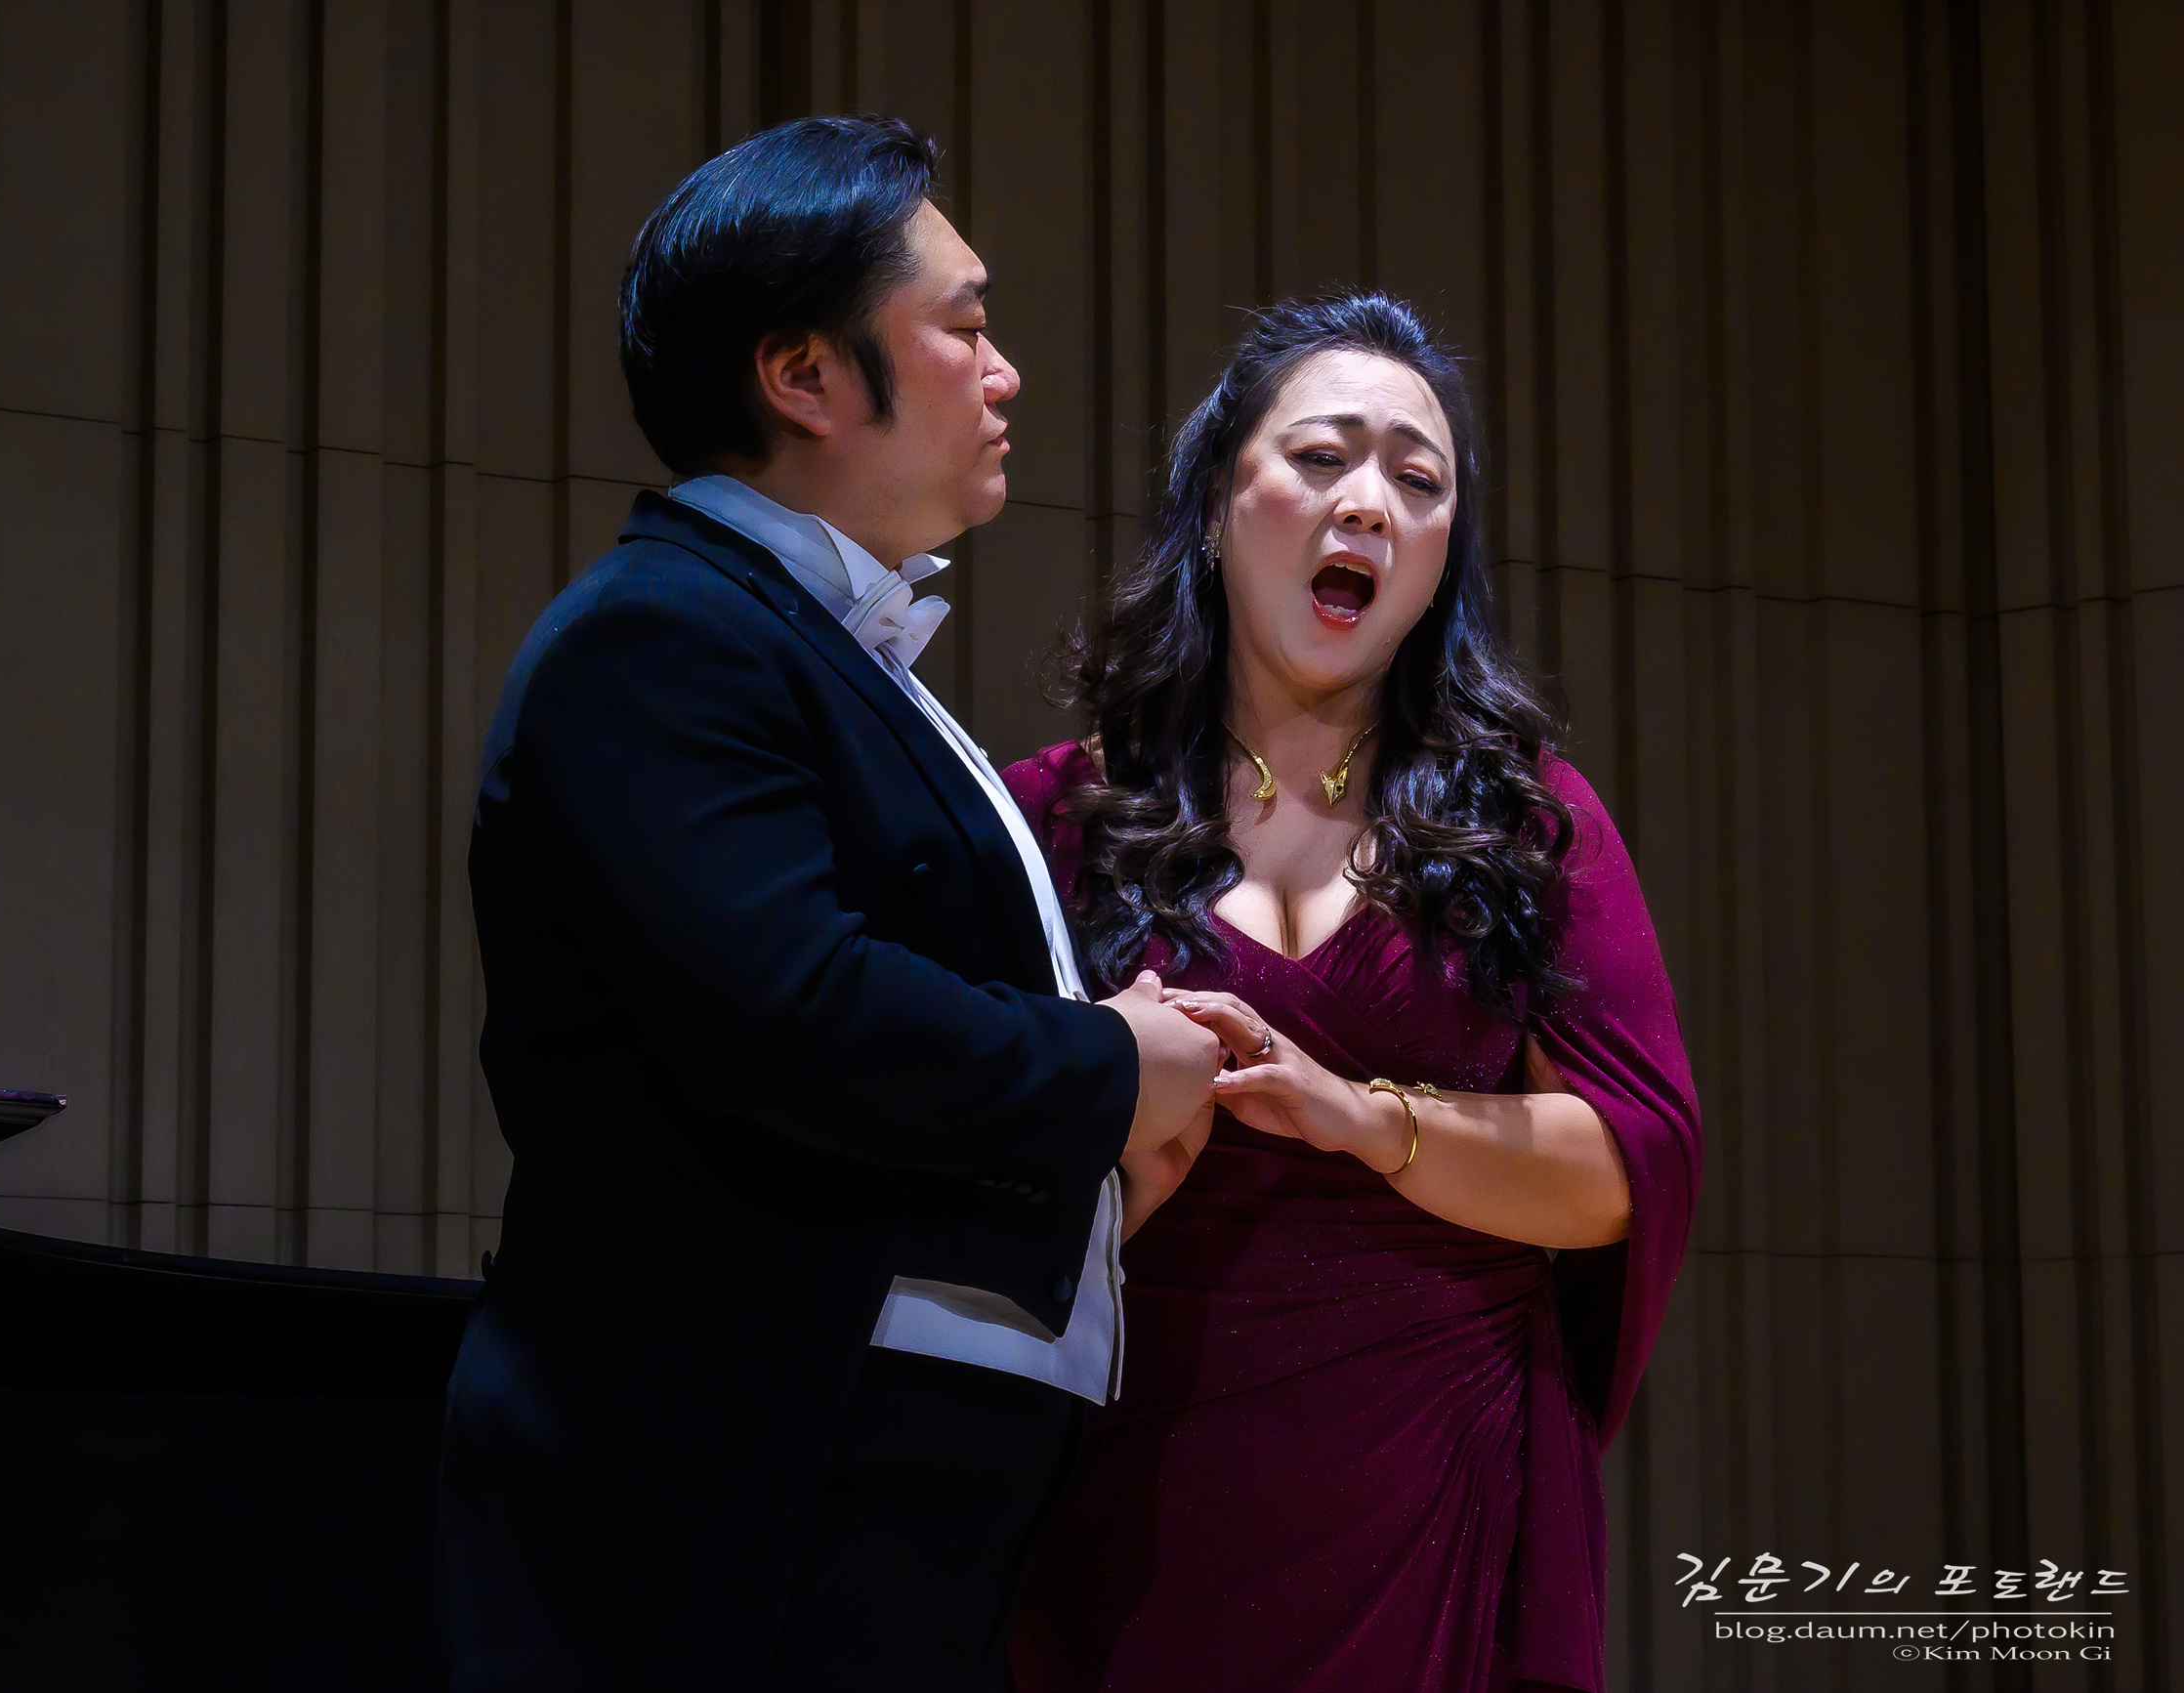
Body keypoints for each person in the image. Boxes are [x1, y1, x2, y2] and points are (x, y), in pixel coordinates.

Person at [438, 115, 1225, 1693]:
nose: (1006, 373)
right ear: (804, 375)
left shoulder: (796, 639)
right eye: (967, 327)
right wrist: (1108, 1068)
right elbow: (794, 1008)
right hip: (747, 1472)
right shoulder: (659, 634)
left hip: (864, 1460)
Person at [999, 292, 1701, 1693]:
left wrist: (1366, 1116)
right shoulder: (1050, 817)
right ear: (1216, 502)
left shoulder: (1531, 824)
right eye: (1323, 457)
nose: (1370, 504)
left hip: (1434, 1488)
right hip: (1120, 1487)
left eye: (1418, 482)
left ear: (1442, 560)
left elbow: (1631, 1167)